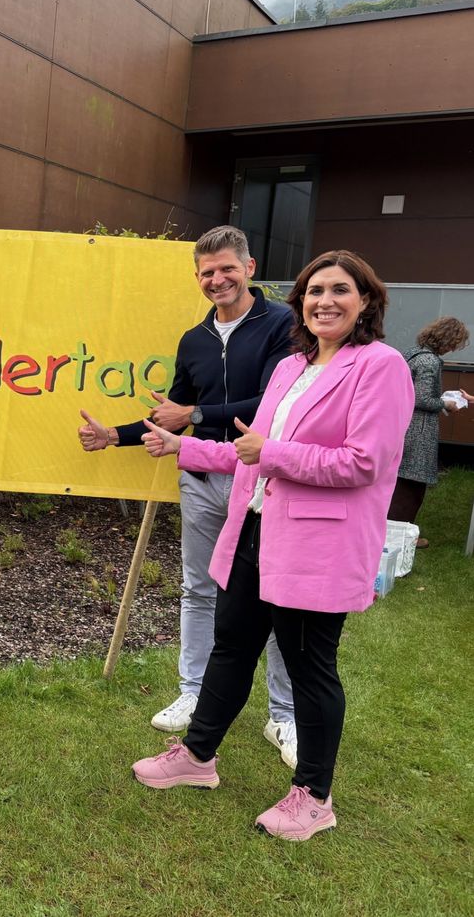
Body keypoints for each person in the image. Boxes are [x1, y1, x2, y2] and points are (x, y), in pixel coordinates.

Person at [131, 250, 412, 841]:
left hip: (318, 548)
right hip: (257, 533)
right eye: (313, 291)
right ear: (300, 303)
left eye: (339, 290)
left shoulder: (380, 366)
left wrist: (273, 454)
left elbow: (365, 462)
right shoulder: (292, 365)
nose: (324, 301)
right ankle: (197, 757)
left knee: (311, 670)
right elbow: (249, 449)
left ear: (366, 300)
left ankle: (314, 797)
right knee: (231, 648)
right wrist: (182, 448)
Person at [77, 225, 298, 766]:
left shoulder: (283, 325)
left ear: (249, 267)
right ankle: (193, 692)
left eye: (226, 268)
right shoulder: (193, 340)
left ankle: (284, 715)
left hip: (263, 482)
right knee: (198, 589)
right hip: (201, 478)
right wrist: (115, 436)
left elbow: (272, 402)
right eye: (206, 273)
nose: (217, 279)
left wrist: (195, 417)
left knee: (276, 594)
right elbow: (171, 409)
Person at [388, 317, 471, 547]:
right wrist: (446, 404)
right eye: (455, 343)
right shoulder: (429, 361)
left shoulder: (412, 353)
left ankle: (389, 531)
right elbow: (421, 398)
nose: (454, 348)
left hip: (401, 425)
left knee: (397, 480)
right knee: (411, 486)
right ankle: (401, 537)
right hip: (418, 431)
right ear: (447, 340)